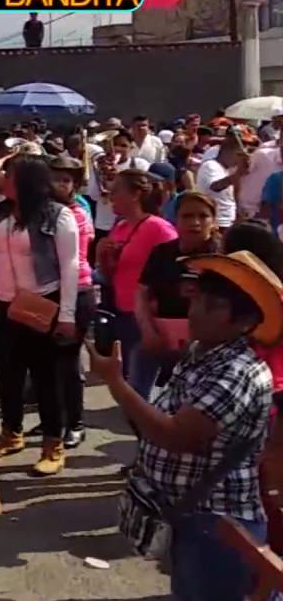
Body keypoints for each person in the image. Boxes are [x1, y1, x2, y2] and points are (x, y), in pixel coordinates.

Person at [90, 250, 280, 601]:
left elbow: (175, 435)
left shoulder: (237, 372)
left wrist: (116, 383)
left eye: (213, 306)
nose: (195, 311)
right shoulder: (200, 354)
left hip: (220, 527)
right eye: (197, 299)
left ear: (245, 321)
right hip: (190, 519)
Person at [0, 156, 79, 475]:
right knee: (8, 375)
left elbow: (70, 266)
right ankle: (11, 433)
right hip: (3, 305)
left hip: (42, 302)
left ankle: (53, 444)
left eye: (8, 174)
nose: (1, 178)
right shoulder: (0, 211)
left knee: (46, 378)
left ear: (25, 179)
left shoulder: (58, 215)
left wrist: (67, 315)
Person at [98, 169, 178, 402]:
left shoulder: (159, 229)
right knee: (133, 382)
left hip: (149, 317)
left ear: (135, 195)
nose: (110, 195)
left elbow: (175, 270)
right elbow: (110, 275)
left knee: (140, 387)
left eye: (116, 191)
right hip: (123, 313)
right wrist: (103, 255)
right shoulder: (120, 227)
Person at [135, 192, 219, 391]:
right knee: (138, 395)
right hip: (160, 338)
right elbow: (141, 293)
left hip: (207, 346)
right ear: (175, 219)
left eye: (203, 216)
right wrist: (148, 330)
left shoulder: (223, 257)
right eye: (187, 216)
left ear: (213, 221)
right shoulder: (162, 253)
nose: (195, 223)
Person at [48, 156, 95, 448]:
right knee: (50, 363)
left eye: (65, 180)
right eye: (54, 178)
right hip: (51, 291)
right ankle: (57, 417)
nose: (59, 184)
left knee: (68, 362)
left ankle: (76, 423)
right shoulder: (46, 211)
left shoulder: (75, 214)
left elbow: (70, 261)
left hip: (77, 291)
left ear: (74, 185)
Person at [196, 133, 249, 231]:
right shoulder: (211, 166)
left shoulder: (227, 170)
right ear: (227, 151)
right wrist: (238, 173)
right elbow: (216, 187)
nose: (238, 160)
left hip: (229, 221)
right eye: (238, 155)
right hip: (217, 222)